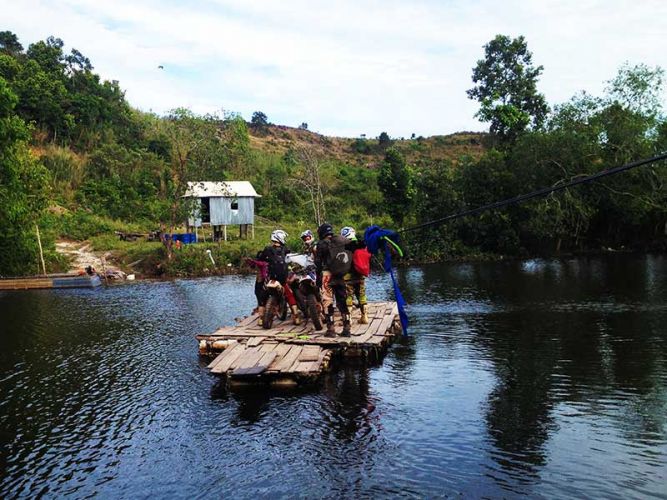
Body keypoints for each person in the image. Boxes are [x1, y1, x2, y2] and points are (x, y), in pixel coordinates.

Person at [257, 229, 301, 325]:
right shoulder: (285, 249)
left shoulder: (268, 249)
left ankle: (261, 318)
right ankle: (296, 315)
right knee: (289, 295)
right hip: (283, 278)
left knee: (262, 296)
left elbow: (261, 259)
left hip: (272, 278)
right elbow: (291, 257)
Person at [315, 223, 352, 337]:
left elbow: (318, 263)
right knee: (342, 301)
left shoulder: (321, 244)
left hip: (327, 276)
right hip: (340, 275)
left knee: (327, 302)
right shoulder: (340, 241)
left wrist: (318, 279)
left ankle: (331, 329)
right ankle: (347, 328)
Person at [340, 226, 369, 324]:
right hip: (360, 275)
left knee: (348, 297)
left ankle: (349, 320)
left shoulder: (343, 246)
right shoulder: (361, 244)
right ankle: (364, 317)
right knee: (362, 295)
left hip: (347, 276)